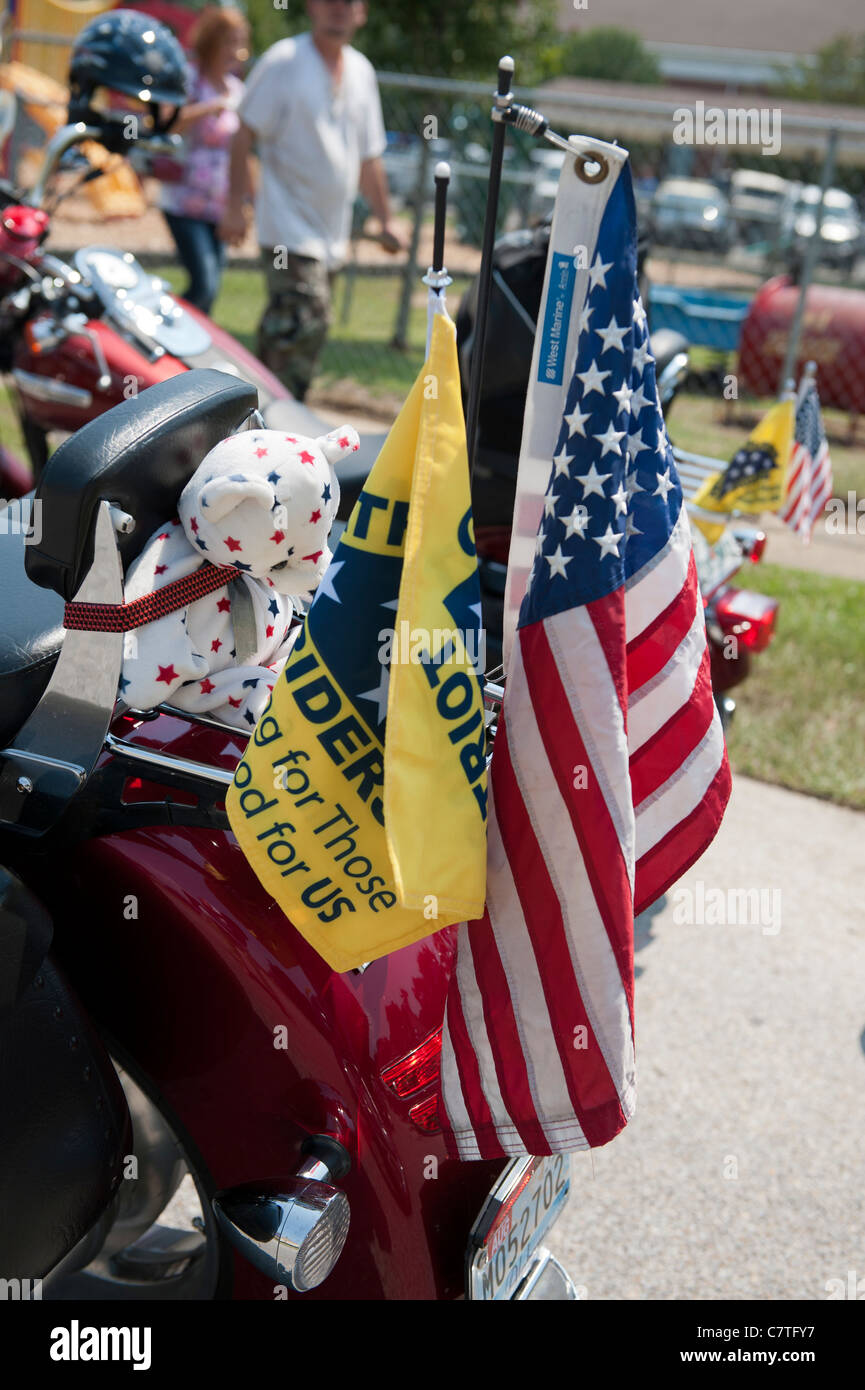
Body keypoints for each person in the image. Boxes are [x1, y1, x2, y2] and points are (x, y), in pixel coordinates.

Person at [219, 0, 403, 402]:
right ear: (311, 6)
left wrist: (386, 218)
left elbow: (369, 156)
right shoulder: (284, 60)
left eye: (349, 2)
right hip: (286, 228)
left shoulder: (362, 71)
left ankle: (271, 414)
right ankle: (264, 414)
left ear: (362, 12)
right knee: (306, 317)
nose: (339, 8)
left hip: (330, 236)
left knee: (302, 335)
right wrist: (236, 206)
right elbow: (243, 134)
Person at [159, 7, 250, 314]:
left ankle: (190, 356)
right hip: (184, 202)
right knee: (204, 284)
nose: (235, 50)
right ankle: (166, 329)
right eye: (228, 41)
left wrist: (248, 203)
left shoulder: (239, 90)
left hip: (219, 208)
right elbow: (169, 123)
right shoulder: (191, 80)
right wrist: (208, 108)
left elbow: (245, 151)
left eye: (239, 42)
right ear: (211, 43)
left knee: (211, 291)